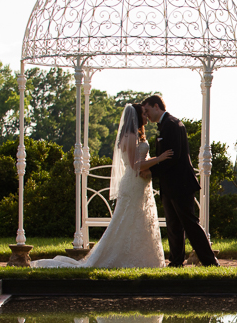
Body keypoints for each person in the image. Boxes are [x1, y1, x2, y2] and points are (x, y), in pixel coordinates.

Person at [30, 104, 172, 269]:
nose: (146, 116)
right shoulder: (131, 136)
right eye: (143, 114)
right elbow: (135, 165)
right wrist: (159, 159)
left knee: (138, 221)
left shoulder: (134, 135)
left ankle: (144, 259)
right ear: (136, 117)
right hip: (133, 184)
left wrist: (149, 169)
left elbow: (140, 163)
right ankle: (125, 259)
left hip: (139, 183)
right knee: (127, 221)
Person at [140, 95, 219, 267]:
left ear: (156, 106)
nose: (146, 115)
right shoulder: (166, 125)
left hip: (180, 184)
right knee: (173, 225)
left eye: (146, 110)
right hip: (170, 186)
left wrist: (151, 171)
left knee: (190, 225)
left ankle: (210, 262)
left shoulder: (172, 125)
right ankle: (176, 262)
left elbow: (173, 158)